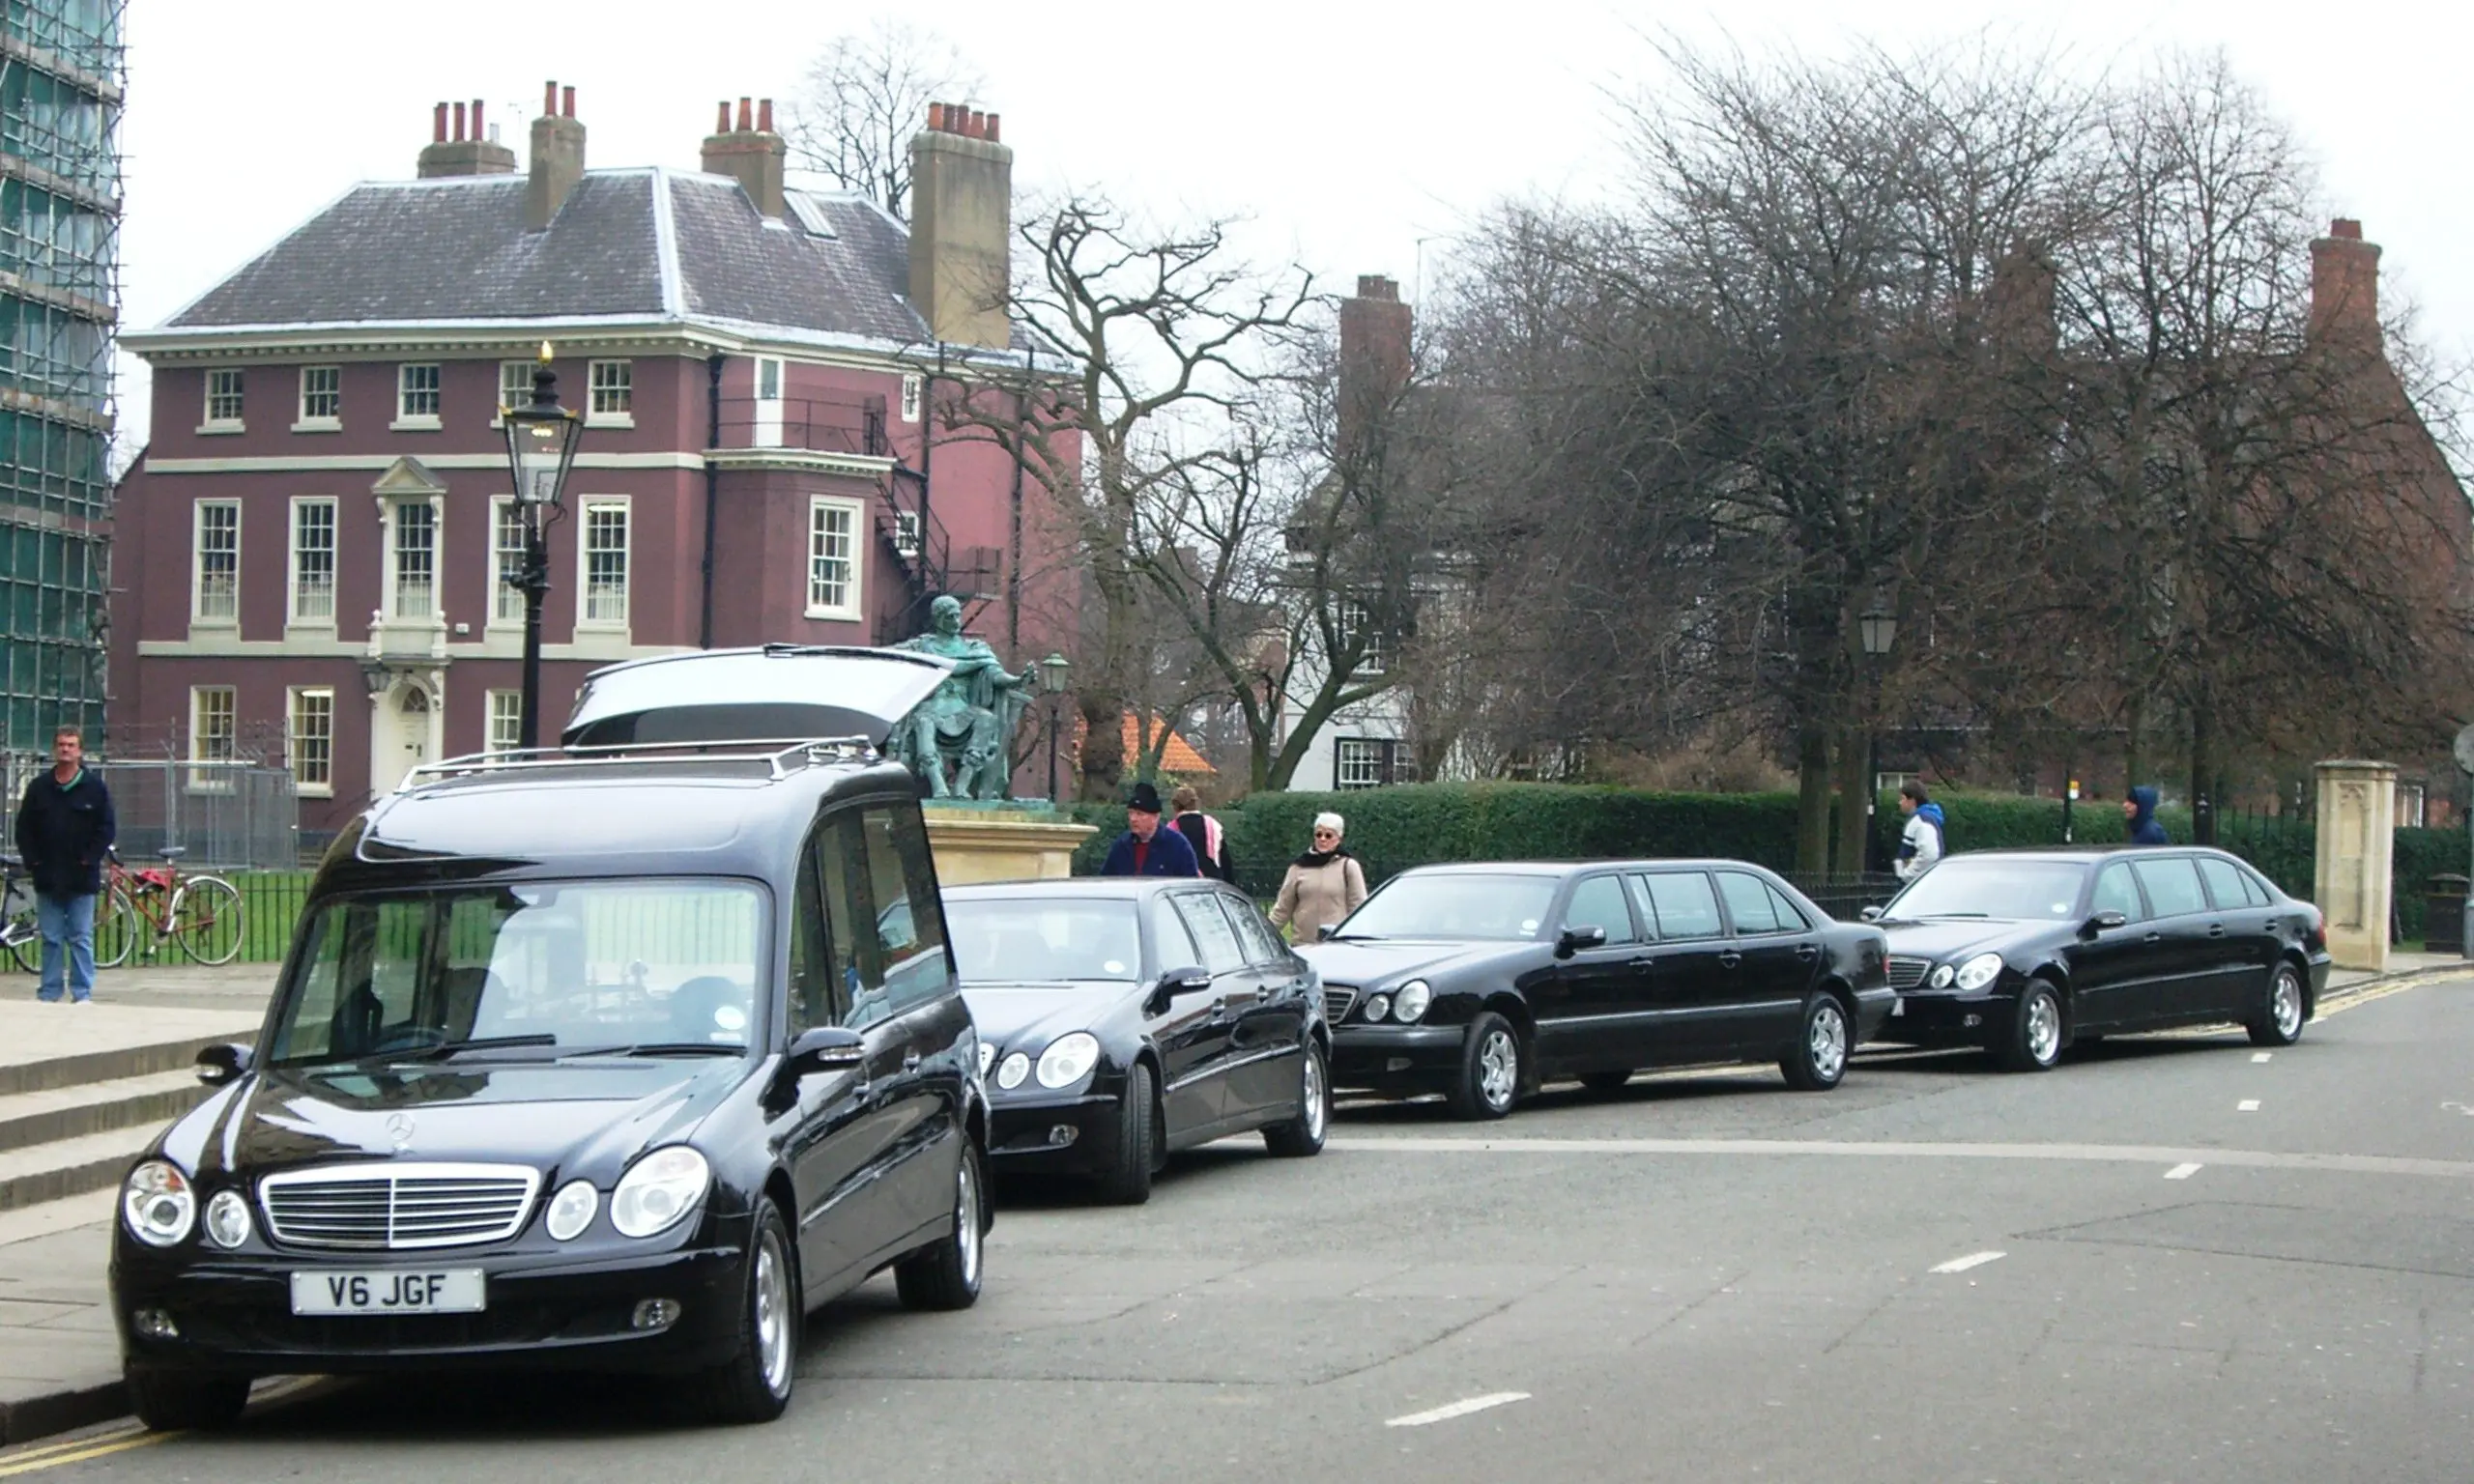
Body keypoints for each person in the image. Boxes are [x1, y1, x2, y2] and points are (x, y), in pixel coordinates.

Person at [13, 727, 114, 1005]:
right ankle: (49, 991)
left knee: (81, 936)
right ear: (55, 749)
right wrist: (32, 861)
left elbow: (106, 829)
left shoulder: (95, 789)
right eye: (61, 745)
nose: (66, 749)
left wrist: (88, 858)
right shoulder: (39, 788)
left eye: (71, 745)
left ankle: (82, 992)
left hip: (81, 876)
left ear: (80, 750)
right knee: (51, 937)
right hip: (48, 874)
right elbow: (24, 829)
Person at [1270, 812, 1367, 942]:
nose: (1322, 839)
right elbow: (1283, 908)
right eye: (1318, 834)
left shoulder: (1348, 866)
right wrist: (1264, 934)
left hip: (1337, 944)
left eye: (1328, 835)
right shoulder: (1299, 867)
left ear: (1338, 838)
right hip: (1303, 944)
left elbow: (1358, 907)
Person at [1100, 782, 1200, 877]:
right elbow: (1106, 881)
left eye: (1140, 814)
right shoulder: (1122, 846)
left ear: (1155, 817)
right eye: (1131, 813)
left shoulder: (1177, 845)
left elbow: (1190, 883)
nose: (1133, 819)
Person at [1168, 785, 1235, 883]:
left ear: (1175, 805)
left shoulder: (1171, 829)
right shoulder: (1212, 825)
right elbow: (1225, 860)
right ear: (1195, 802)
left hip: (1182, 884)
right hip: (1213, 883)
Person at [1893, 781, 1944, 881]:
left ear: (1912, 800)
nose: (1900, 802)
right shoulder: (1926, 818)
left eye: (1902, 799)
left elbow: (1929, 854)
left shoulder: (1921, 820)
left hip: (1918, 883)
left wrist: (1907, 875)